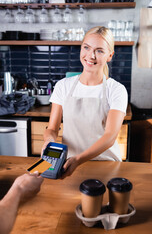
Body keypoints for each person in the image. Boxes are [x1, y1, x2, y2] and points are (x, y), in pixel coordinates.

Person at [42, 26, 128, 179]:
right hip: (69, 165)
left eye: (99, 51)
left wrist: (79, 159)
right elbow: (52, 128)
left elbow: (110, 136)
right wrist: (49, 142)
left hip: (106, 164)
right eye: (86, 48)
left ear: (110, 55)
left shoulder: (116, 90)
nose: (91, 55)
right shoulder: (63, 86)